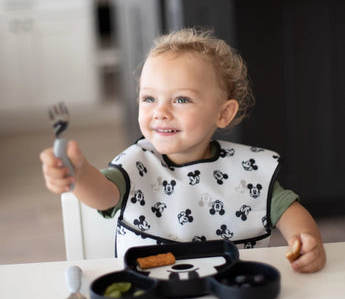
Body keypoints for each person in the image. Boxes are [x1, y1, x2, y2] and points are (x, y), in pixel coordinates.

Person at [40, 28, 326, 273]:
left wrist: (306, 240)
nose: (160, 112)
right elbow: (103, 196)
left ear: (223, 113)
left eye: (181, 99)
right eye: (149, 98)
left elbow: (288, 211)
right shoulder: (137, 164)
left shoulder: (246, 169)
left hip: (232, 292)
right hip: (154, 296)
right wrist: (77, 174)